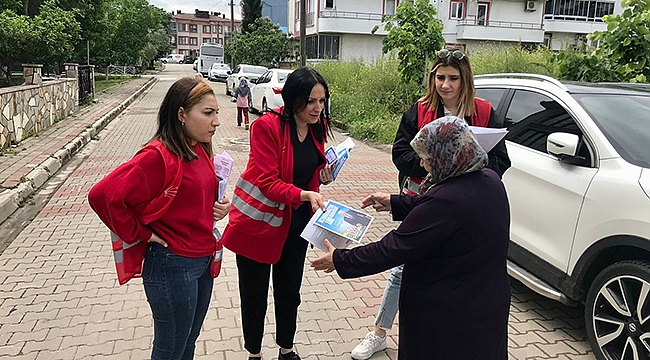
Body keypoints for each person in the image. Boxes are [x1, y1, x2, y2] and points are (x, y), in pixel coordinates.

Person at [350, 48, 512, 360]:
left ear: (465, 81)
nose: (445, 85)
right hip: (424, 198)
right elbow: (401, 154)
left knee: (429, 269)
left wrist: (467, 169)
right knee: (404, 268)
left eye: (453, 78)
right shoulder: (420, 110)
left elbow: (500, 160)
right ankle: (380, 332)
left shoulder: (484, 111)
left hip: (464, 201)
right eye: (440, 77)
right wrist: (429, 166)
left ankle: (387, 332)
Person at [312, 116, 511, 360]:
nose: (423, 163)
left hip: (446, 318)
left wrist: (340, 259)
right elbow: (448, 216)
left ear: (445, 155)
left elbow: (393, 247)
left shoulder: (445, 200)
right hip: (487, 306)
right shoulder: (489, 180)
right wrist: (395, 202)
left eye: (427, 156)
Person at [88, 77, 231, 360]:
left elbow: (191, 198)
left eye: (216, 113)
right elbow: (102, 195)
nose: (216, 122)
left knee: (187, 343)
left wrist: (218, 207)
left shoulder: (199, 147)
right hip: (172, 267)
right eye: (207, 113)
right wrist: (141, 234)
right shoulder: (158, 156)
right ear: (181, 114)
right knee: (170, 350)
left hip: (203, 262)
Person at [220, 66, 334, 360]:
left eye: (322, 101)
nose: (317, 108)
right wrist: (304, 194)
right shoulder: (266, 127)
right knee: (254, 295)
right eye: (311, 101)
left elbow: (307, 169)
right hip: (259, 224)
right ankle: (254, 353)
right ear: (293, 97)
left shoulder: (316, 127)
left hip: (296, 225)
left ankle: (286, 349)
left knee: (289, 292)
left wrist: (321, 175)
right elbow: (268, 183)